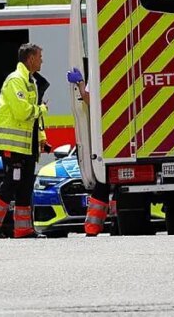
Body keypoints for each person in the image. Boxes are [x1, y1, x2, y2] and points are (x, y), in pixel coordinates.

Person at [0, 43, 47, 239]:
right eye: (39, 56)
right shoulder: (15, 80)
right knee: (12, 182)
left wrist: (41, 137)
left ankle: (23, 229)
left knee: (25, 184)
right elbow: (23, 112)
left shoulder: (30, 81)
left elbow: (33, 117)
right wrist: (41, 109)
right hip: (11, 144)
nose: (42, 60)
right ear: (30, 59)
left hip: (25, 145)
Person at [67, 66, 114, 237]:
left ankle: (92, 227)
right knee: (115, 182)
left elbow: (88, 99)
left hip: (106, 133)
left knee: (104, 180)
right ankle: (116, 223)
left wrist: (80, 84)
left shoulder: (99, 63)